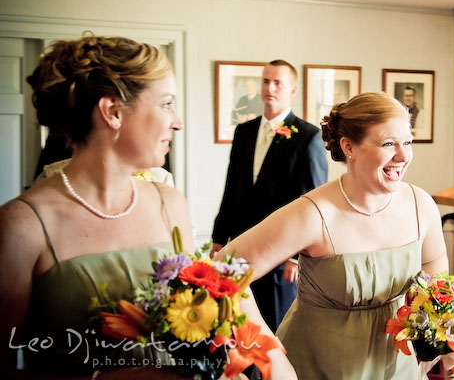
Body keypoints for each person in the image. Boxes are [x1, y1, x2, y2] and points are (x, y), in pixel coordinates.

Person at [0, 35, 295, 379]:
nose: (178, 122)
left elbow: (215, 306)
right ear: (112, 112)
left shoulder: (169, 204)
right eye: (166, 104)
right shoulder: (22, 226)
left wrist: (270, 360)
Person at [215, 91, 449, 379]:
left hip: (396, 367)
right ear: (349, 147)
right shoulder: (313, 214)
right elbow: (222, 271)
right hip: (316, 367)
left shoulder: (420, 205)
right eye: (389, 143)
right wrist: (269, 355)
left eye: (408, 142)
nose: (403, 156)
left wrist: (436, 333)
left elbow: (435, 269)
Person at [212, 59, 328, 331]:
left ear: (293, 91)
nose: (270, 88)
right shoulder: (244, 131)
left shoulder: (308, 136)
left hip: (280, 254)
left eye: (278, 83)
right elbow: (232, 188)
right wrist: (219, 236)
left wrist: (296, 257)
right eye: (266, 81)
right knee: (238, 326)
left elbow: (312, 202)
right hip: (239, 248)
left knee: (273, 330)